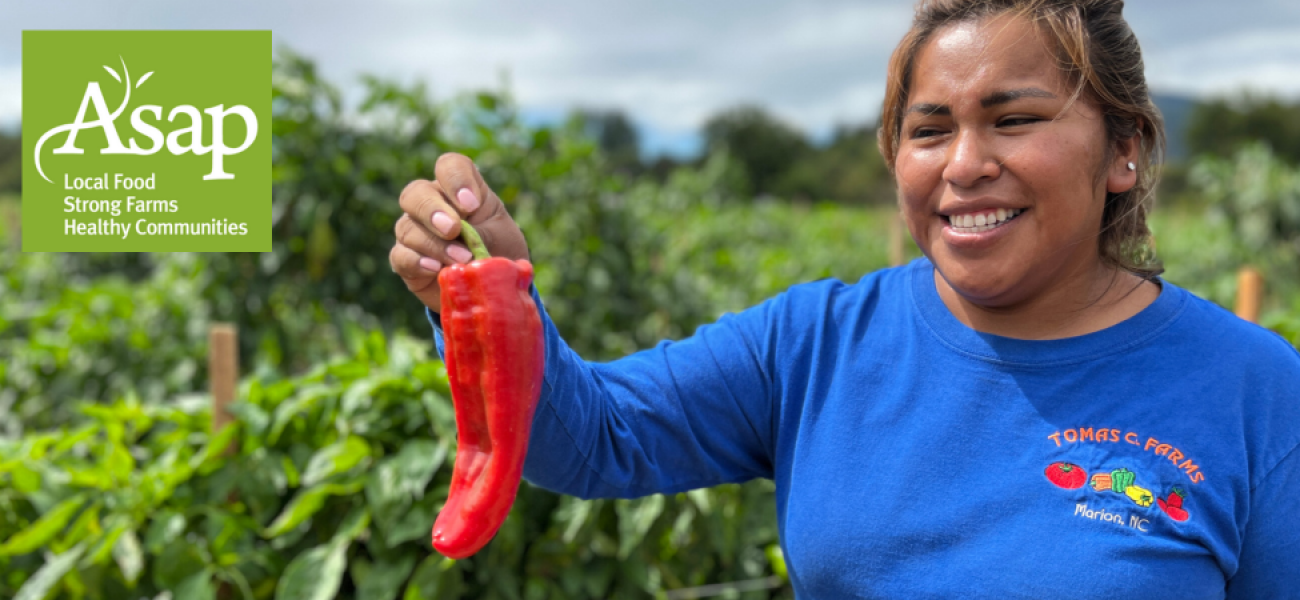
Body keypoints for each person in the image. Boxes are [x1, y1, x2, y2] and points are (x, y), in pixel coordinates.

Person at [389, 0, 1300, 596]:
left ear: (1124, 149)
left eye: (1016, 119)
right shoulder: (815, 344)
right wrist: (480, 295)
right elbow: (590, 441)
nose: (966, 163)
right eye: (929, 130)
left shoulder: (1257, 389)